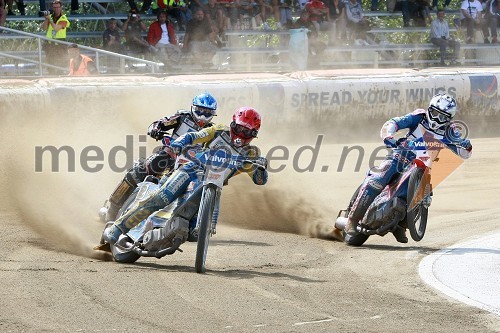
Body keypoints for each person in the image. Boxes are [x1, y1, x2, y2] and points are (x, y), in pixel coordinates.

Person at [103, 106, 268, 245]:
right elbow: (196, 136)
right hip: (191, 170)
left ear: (254, 134)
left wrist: (261, 169)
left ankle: (172, 231)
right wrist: (181, 142)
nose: (242, 135)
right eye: (240, 128)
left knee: (195, 234)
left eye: (248, 132)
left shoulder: (251, 153)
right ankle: (118, 228)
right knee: (161, 197)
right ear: (233, 124)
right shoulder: (219, 131)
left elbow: (260, 180)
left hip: (212, 186)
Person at [344, 94, 472, 243]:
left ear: (449, 118)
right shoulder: (419, 117)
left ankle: (400, 226)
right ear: (429, 109)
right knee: (378, 179)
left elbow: (465, 153)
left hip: (425, 166)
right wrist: (389, 136)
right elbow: (393, 123)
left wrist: (465, 146)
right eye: (435, 113)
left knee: (422, 195)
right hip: (400, 156)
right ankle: (352, 220)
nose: (437, 119)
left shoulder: (451, 131)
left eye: (442, 117)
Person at [102, 92, 218, 222]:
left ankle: (194, 222)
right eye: (200, 110)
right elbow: (161, 122)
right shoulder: (183, 117)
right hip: (169, 154)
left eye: (207, 113)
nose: (202, 115)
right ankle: (113, 206)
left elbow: (217, 149)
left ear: (213, 114)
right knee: (140, 170)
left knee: (199, 187)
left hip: (191, 165)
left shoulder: (212, 130)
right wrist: (156, 129)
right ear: (193, 108)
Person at [41, 0, 70, 75]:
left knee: (61, 65)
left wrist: (49, 20)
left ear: (61, 8)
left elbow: (56, 28)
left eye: (58, 7)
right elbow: (43, 28)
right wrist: (46, 19)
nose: (56, 9)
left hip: (60, 44)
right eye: (54, 7)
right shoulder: (50, 17)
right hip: (50, 44)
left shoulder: (64, 18)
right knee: (50, 65)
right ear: (52, 8)